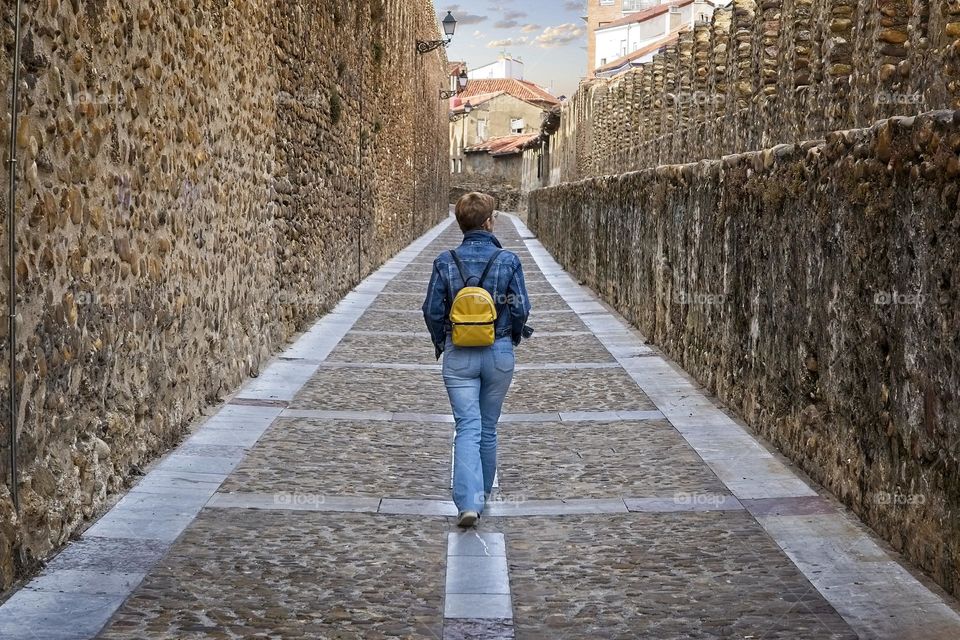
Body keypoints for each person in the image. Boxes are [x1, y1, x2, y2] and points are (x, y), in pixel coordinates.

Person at [422, 192, 531, 528]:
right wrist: (509, 338)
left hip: (459, 355)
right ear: (489, 222)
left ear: (459, 224)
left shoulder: (445, 261)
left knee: (466, 427)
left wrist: (444, 341)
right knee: (488, 427)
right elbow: (520, 307)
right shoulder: (508, 261)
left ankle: (468, 504)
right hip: (497, 353)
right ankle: (481, 496)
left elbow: (432, 310)